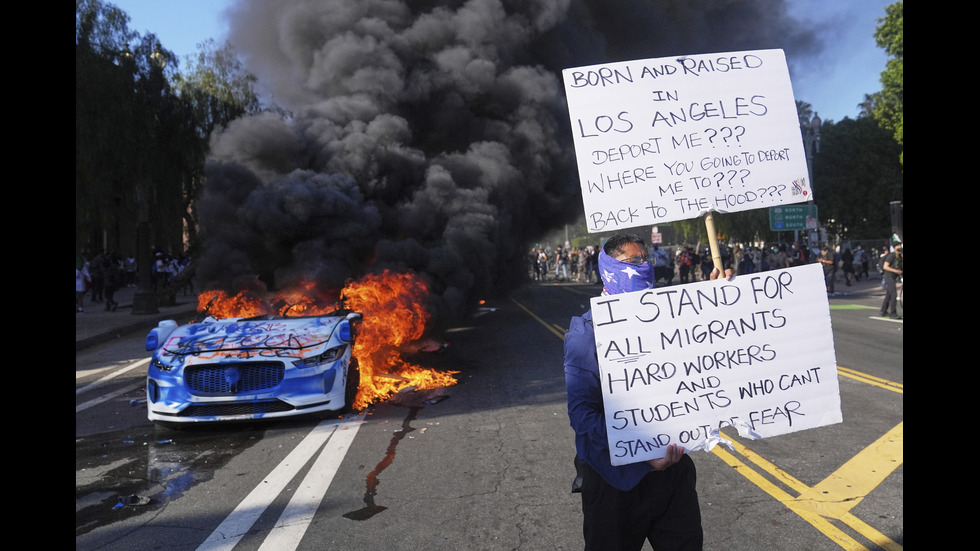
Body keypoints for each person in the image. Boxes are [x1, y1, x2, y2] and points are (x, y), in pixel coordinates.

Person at [564, 234, 733, 551]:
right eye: (633, 261)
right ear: (611, 269)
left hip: (672, 474)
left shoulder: (668, 318)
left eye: (647, 259)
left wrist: (720, 300)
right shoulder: (586, 334)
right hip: (615, 479)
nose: (644, 267)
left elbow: (707, 349)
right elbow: (582, 415)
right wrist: (643, 454)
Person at [880, 239, 903, 319]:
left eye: (900, 245)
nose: (899, 247)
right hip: (888, 276)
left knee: (889, 294)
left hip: (894, 277)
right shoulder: (891, 255)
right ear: (894, 247)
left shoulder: (899, 257)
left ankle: (883, 310)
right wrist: (896, 271)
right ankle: (893, 314)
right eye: (897, 246)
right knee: (894, 294)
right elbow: (885, 267)